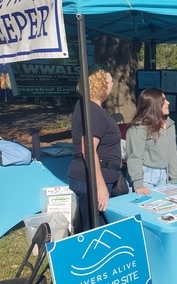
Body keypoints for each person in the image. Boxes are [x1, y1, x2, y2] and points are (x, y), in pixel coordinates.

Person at [68, 64, 127, 232]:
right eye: (109, 81)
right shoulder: (92, 111)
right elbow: (88, 150)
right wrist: (99, 187)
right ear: (99, 84)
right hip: (93, 180)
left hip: (97, 176)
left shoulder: (89, 107)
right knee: (96, 229)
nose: (112, 84)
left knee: (96, 226)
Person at [126, 87, 177, 195]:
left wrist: (175, 178)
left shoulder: (170, 125)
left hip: (164, 176)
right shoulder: (139, 128)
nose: (168, 103)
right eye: (163, 100)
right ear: (154, 105)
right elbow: (134, 157)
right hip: (145, 176)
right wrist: (138, 184)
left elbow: (172, 153)